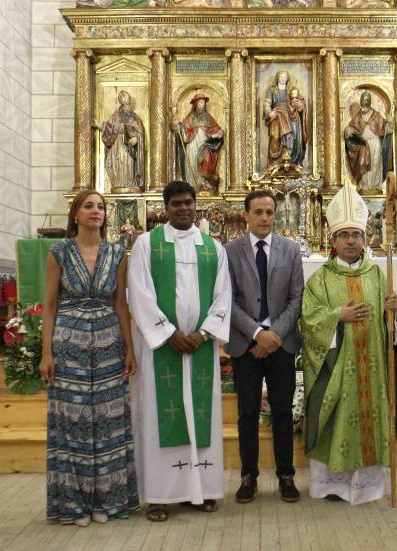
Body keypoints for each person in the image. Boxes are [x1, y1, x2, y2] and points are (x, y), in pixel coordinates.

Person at [127, 180, 232, 522]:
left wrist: (203, 334)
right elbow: (139, 294)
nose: (184, 208)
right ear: (165, 208)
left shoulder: (212, 247)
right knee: (160, 418)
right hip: (162, 349)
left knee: (200, 417)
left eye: (189, 203)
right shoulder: (147, 244)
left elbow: (223, 295)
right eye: (176, 204)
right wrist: (169, 334)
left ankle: (199, 491)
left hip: (199, 348)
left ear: (196, 205)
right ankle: (158, 495)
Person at [39, 189, 139, 527]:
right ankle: (74, 504)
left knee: (108, 422)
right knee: (75, 423)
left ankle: (106, 501)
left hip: (109, 342)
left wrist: (130, 348)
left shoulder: (117, 253)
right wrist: (46, 352)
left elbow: (120, 304)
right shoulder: (59, 253)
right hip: (69, 344)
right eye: (88, 206)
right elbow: (50, 305)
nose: (96, 211)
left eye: (100, 207)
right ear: (75, 214)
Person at [301, 183, 397, 505]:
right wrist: (337, 316)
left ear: (364, 239)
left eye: (356, 235)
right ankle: (333, 484)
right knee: (334, 420)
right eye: (344, 235)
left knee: (371, 420)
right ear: (332, 241)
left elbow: (396, 331)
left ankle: (367, 485)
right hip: (336, 371)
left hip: (372, 371)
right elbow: (309, 321)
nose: (350, 241)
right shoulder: (320, 279)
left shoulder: (377, 275)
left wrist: (394, 315)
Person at [225, 189, 304, 504]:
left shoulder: (290, 250)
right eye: (258, 212)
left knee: (283, 411)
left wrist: (274, 335)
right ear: (246, 216)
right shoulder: (230, 251)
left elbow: (296, 298)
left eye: (269, 212)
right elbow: (227, 300)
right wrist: (258, 333)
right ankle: (248, 475)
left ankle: (286, 474)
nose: (264, 218)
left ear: (276, 214)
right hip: (246, 344)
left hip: (281, 345)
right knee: (247, 412)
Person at [173, 93, 225, 194]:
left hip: (205, 143)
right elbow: (183, 129)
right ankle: (193, 184)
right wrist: (178, 125)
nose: (202, 104)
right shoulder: (191, 117)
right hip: (192, 142)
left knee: (207, 158)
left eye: (204, 103)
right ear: (196, 104)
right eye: (201, 102)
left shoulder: (208, 117)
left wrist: (219, 133)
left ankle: (203, 182)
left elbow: (216, 129)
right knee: (192, 162)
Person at [344, 91, 394, 191]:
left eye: (365, 107)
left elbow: (387, 129)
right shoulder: (358, 116)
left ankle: (375, 186)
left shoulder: (376, 115)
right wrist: (348, 130)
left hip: (375, 143)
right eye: (362, 106)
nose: (363, 109)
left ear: (369, 104)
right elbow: (352, 128)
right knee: (364, 166)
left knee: (375, 164)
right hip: (363, 145)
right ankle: (364, 186)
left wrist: (390, 122)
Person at [101, 90, 146, 191]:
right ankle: (118, 184)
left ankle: (130, 183)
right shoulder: (115, 115)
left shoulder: (134, 116)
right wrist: (101, 126)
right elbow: (109, 127)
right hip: (117, 143)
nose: (127, 107)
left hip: (128, 146)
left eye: (128, 105)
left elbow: (139, 131)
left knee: (128, 163)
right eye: (125, 105)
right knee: (118, 162)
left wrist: (136, 137)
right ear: (121, 104)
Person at [264, 70, 307, 166]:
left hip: (290, 115)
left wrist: (298, 104)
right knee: (275, 135)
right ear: (277, 78)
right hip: (276, 115)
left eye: (285, 77)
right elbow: (267, 103)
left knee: (293, 134)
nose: (283, 79)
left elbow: (300, 102)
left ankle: (291, 160)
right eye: (281, 77)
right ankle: (276, 161)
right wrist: (269, 112)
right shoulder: (272, 90)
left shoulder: (291, 89)